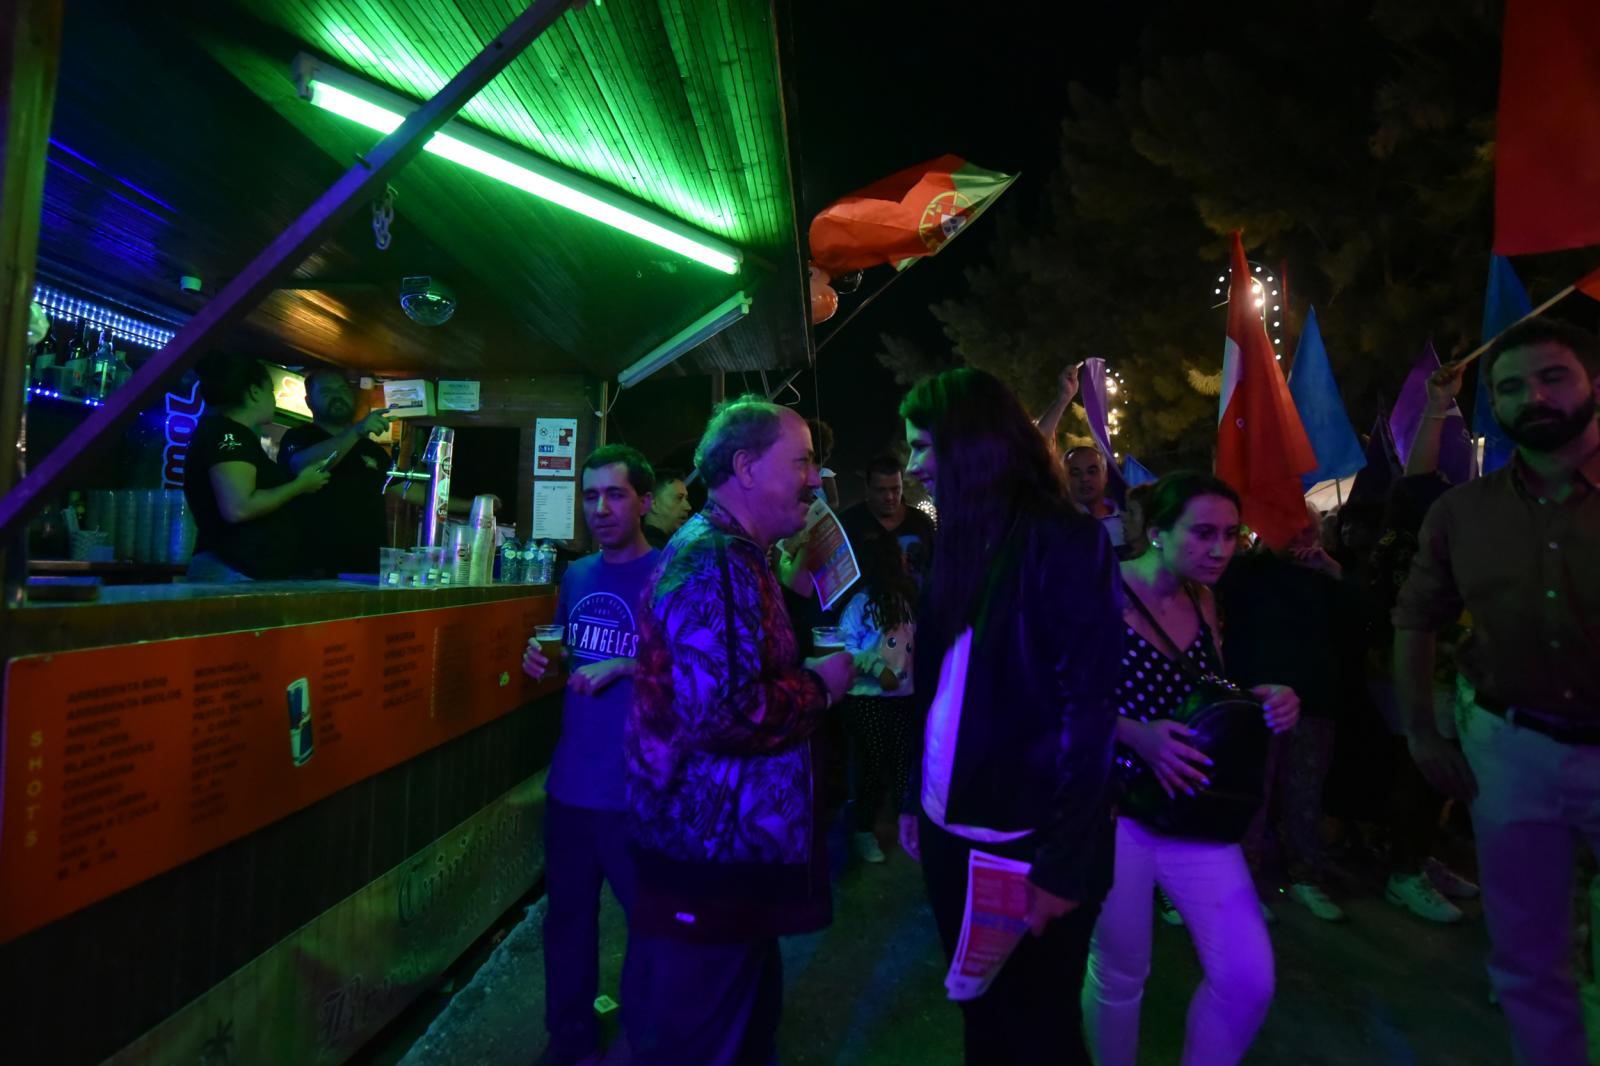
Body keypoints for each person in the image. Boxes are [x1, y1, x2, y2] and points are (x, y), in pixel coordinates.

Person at [624, 397, 855, 1066]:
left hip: (722, 860)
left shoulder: (734, 553)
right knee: (705, 1038)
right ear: (747, 468)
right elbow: (722, 711)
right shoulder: (717, 562)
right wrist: (822, 685)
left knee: (736, 1027)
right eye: (803, 462)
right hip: (710, 865)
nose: (815, 479)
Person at [901, 367, 1122, 1065]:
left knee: (1042, 1033)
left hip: (1025, 846)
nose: (912, 467)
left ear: (968, 444)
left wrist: (1062, 864)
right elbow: (936, 689)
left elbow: (1089, 713)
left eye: (922, 446)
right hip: (949, 832)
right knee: (983, 1016)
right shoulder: (960, 539)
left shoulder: (1065, 542)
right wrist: (913, 797)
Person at [1394, 317, 1600, 1066]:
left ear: (1595, 385)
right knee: (1527, 959)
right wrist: (1421, 731)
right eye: (1510, 387)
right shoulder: (1463, 513)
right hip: (1510, 754)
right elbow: (1416, 617)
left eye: (1553, 377)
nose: (1532, 397)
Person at [1082, 472, 1301, 1066]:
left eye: (1231, 534)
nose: (1221, 549)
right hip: (1113, 807)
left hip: (1191, 807)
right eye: (1203, 533)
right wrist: (1137, 734)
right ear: (1157, 531)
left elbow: (1205, 691)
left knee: (1247, 978)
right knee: (1122, 972)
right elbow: (1050, 696)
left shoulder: (1203, 599)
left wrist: (1265, 698)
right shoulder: (1100, 589)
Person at [522, 444, 660, 1066]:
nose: (599, 508)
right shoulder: (576, 575)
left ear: (645, 502)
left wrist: (627, 664)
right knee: (568, 923)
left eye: (614, 494)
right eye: (589, 495)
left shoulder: (668, 576)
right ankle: (570, 1037)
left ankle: (638, 1038)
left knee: (649, 925)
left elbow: (694, 670)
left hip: (638, 789)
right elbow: (570, 662)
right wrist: (539, 662)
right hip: (572, 785)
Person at [1218, 508, 1365, 923]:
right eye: (1293, 529)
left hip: (1315, 700)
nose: (1302, 538)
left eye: (1309, 530)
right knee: (1253, 795)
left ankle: (1305, 875)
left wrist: (1333, 571)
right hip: (1257, 700)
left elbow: (1360, 623)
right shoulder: (1245, 572)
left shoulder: (1325, 577)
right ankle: (1244, 881)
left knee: (1305, 793)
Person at [183, 351, 329, 581]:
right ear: (254, 392)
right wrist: (300, 485)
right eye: (270, 391)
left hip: (237, 573)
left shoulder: (227, 432)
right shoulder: (228, 433)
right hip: (231, 574)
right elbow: (239, 507)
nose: (274, 400)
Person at [836, 529, 919, 865]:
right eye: (897, 555)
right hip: (868, 699)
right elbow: (845, 647)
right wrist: (877, 668)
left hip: (903, 698)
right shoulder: (860, 604)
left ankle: (901, 826)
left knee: (901, 765)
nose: (904, 560)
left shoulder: (904, 602)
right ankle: (863, 831)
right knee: (870, 766)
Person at [278, 371, 394, 575]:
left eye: (342, 389)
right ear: (308, 401)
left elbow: (405, 489)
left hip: (367, 567)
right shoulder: (299, 436)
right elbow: (303, 465)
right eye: (326, 391)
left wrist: (459, 505)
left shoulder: (372, 449)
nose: (337, 395)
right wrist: (356, 431)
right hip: (314, 567)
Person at [838, 451, 935, 588]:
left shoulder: (922, 522)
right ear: (868, 487)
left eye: (895, 489)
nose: (889, 497)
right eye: (881, 490)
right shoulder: (848, 524)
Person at [1065, 445, 1127, 552]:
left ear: (1105, 476)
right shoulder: (1059, 528)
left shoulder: (1126, 524)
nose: (1084, 479)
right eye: (1075, 473)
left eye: (1092, 471)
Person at [641, 467, 692, 549]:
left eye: (686, 499)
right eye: (679, 498)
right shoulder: (652, 550)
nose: (688, 507)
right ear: (653, 504)